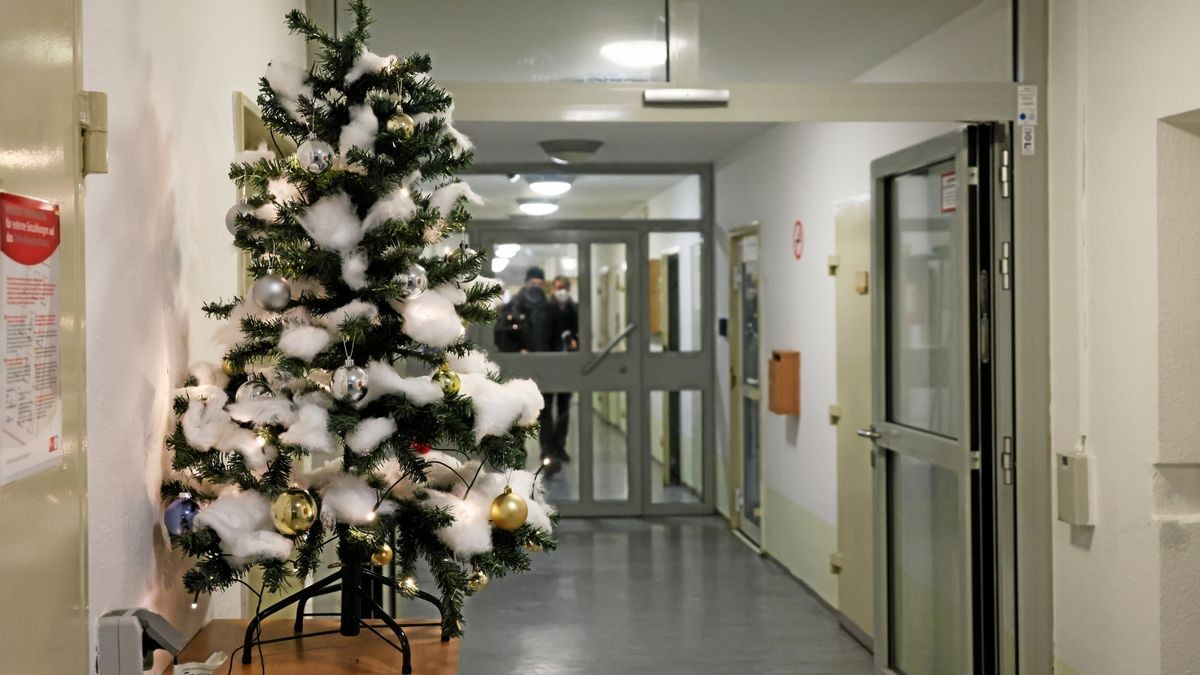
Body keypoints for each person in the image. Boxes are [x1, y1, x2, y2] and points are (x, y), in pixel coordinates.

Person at [543, 276, 578, 462]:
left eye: (564, 287)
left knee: (564, 409)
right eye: (558, 288)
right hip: (548, 364)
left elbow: (580, 333)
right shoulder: (546, 309)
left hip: (568, 366)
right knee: (545, 410)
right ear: (553, 290)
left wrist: (576, 342)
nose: (561, 291)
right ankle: (547, 448)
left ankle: (560, 446)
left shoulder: (575, 309)